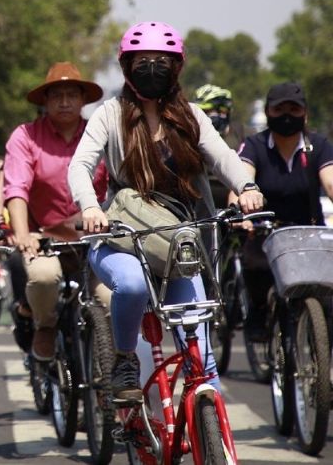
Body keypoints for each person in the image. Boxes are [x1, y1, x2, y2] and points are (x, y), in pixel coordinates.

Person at [69, 21, 263, 405]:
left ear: (176, 68)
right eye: (143, 61)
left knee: (202, 358)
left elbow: (223, 156)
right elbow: (79, 166)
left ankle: (208, 430)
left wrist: (248, 187)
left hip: (180, 244)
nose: (152, 67)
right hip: (123, 238)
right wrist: (91, 207)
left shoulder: (190, 115)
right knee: (134, 285)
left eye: (162, 61)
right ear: (127, 67)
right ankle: (125, 361)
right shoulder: (109, 114)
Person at [4, 62, 108, 361]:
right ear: (45, 101)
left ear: (83, 100)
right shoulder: (26, 136)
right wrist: (23, 235)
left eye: (71, 95)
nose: (64, 102)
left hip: (94, 238)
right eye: (57, 95)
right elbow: (16, 188)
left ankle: (111, 370)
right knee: (44, 277)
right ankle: (45, 326)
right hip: (45, 237)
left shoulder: (100, 135)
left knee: (112, 297)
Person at [228, 82, 333, 340]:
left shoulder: (318, 146)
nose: (287, 115)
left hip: (310, 234)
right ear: (267, 112)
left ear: (305, 113)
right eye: (279, 109)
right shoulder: (254, 145)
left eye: (294, 109)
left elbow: (331, 183)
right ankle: (259, 310)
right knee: (257, 267)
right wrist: (238, 211)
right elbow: (240, 180)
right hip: (264, 233)